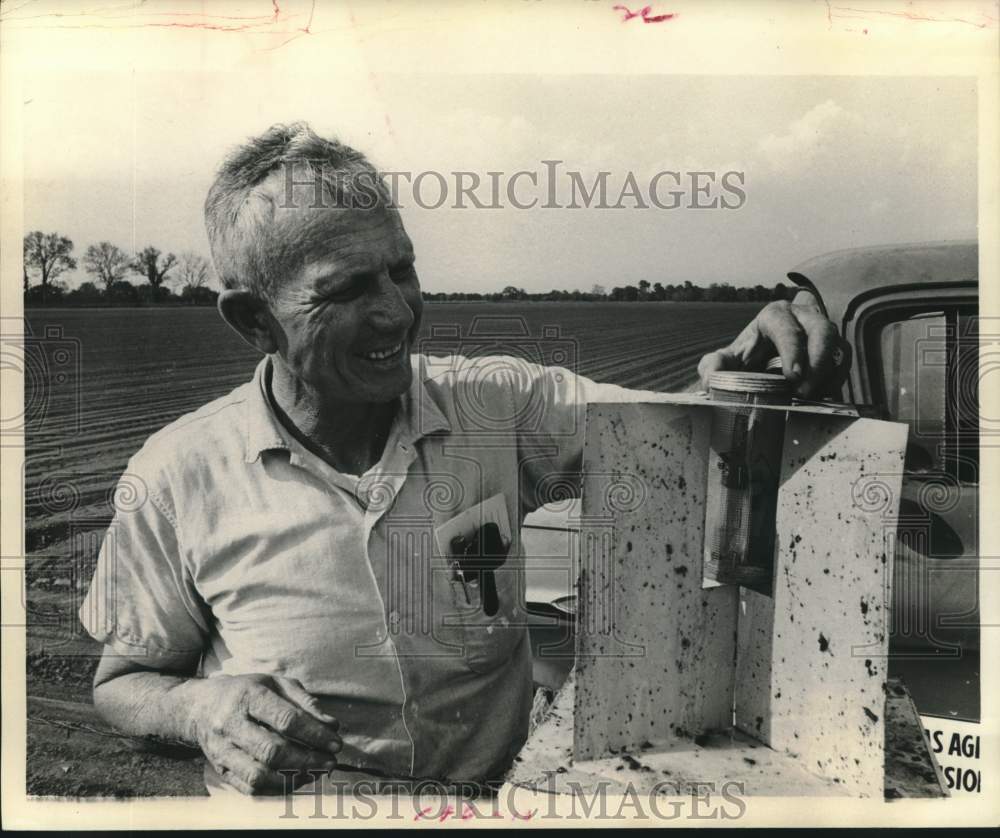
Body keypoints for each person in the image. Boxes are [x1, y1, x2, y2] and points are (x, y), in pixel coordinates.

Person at [80, 122, 845, 796]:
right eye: (346, 289)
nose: (397, 311)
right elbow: (122, 684)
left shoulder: (497, 407)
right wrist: (199, 707)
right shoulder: (176, 477)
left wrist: (740, 366)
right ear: (254, 320)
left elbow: (664, 434)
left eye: (401, 270)